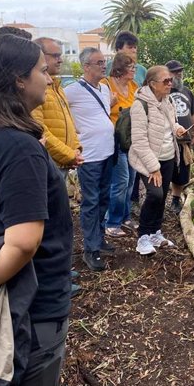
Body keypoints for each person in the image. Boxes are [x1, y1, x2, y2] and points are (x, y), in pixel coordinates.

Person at [0, 33, 73, 384]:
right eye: (41, 70)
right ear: (20, 79)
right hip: (32, 305)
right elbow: (23, 242)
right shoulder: (21, 148)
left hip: (0, 295)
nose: (49, 77)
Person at [64, 47, 116, 271]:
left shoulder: (104, 89)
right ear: (86, 67)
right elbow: (60, 113)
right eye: (98, 63)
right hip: (89, 157)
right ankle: (90, 249)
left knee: (104, 199)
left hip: (108, 152)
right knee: (91, 202)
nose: (104, 66)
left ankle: (99, 238)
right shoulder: (72, 91)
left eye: (104, 62)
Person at [128, 66, 186, 255]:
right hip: (148, 160)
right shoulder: (140, 105)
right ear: (152, 84)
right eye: (166, 81)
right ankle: (143, 236)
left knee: (162, 197)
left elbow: (171, 122)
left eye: (171, 80)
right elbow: (139, 141)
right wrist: (153, 168)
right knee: (155, 194)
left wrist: (177, 129)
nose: (170, 83)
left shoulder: (167, 100)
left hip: (168, 157)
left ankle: (155, 232)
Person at [31, 37, 83, 176]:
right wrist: (69, 154)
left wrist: (76, 148)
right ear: (39, 56)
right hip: (50, 165)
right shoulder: (36, 90)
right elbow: (40, 130)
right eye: (55, 56)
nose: (60, 60)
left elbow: (69, 122)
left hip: (63, 163)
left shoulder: (57, 87)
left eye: (60, 55)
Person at [102, 52, 139, 237]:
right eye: (131, 67)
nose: (134, 70)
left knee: (131, 181)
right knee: (120, 181)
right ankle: (111, 221)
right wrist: (110, 103)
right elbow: (96, 111)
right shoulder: (106, 85)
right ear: (120, 68)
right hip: (114, 139)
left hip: (130, 139)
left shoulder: (133, 86)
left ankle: (125, 216)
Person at [165, 60, 194, 214]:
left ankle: (175, 200)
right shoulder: (162, 91)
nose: (179, 74)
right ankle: (159, 203)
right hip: (167, 140)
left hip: (184, 141)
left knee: (182, 173)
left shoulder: (187, 92)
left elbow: (193, 114)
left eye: (180, 71)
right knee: (167, 170)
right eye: (175, 71)